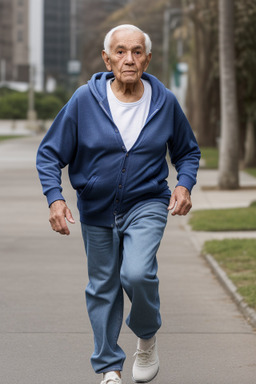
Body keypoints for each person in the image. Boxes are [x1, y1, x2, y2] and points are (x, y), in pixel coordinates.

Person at [36, 24, 200, 384]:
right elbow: (50, 154)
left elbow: (187, 151)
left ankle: (146, 334)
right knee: (103, 287)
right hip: (96, 209)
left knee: (137, 273)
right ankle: (109, 368)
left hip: (147, 203)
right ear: (107, 59)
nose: (130, 59)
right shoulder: (84, 100)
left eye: (137, 51)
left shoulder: (164, 101)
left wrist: (184, 185)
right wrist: (56, 199)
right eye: (121, 52)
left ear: (148, 58)